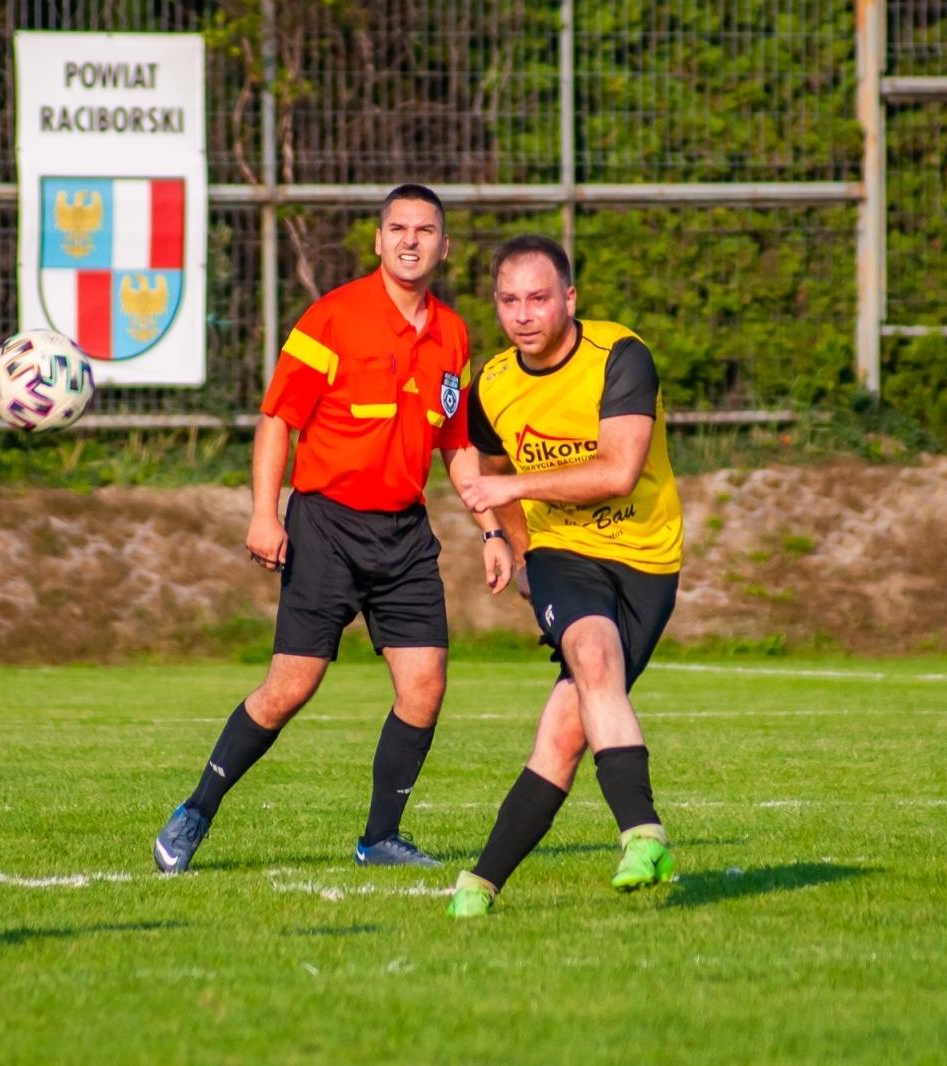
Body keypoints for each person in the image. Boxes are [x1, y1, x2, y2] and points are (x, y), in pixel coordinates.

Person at [154, 184, 513, 873]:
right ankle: (195, 810)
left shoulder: (453, 334)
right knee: (290, 688)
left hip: (405, 534)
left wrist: (491, 529)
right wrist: (265, 513)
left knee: (425, 686)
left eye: (425, 231)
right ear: (378, 241)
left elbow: (456, 442)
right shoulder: (332, 318)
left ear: (444, 246)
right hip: (326, 527)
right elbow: (277, 419)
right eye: (398, 228)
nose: (410, 241)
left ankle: (379, 839)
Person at [444, 235, 684, 918]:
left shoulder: (621, 356)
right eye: (509, 300)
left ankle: (480, 883)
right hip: (561, 553)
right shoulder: (492, 384)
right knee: (592, 653)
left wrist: (514, 487)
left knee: (565, 729)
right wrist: (515, 547)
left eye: (539, 298)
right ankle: (643, 834)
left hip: (647, 559)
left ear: (569, 299)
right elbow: (490, 471)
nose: (523, 315)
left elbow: (619, 471)